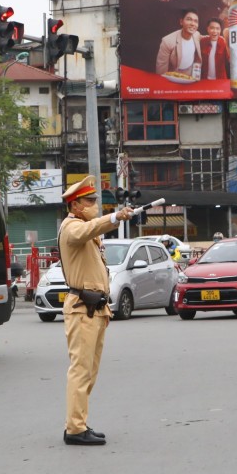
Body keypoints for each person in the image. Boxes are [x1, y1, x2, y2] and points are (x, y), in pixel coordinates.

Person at [58, 175, 133, 446]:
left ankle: (78, 421)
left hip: (95, 308)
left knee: (90, 370)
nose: (93, 205)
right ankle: (75, 428)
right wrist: (114, 218)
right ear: (75, 205)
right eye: (89, 201)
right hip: (82, 308)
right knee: (81, 369)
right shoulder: (71, 228)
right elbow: (87, 230)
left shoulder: (87, 229)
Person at [155, 8, 202, 78]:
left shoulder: (197, 35)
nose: (193, 24)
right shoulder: (167, 41)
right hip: (174, 75)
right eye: (189, 19)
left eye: (196, 21)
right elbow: (161, 70)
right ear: (181, 22)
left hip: (191, 74)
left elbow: (207, 37)